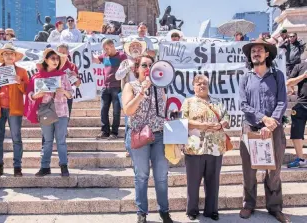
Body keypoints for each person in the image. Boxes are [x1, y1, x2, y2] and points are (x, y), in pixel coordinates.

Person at [239, 38, 290, 223]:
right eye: (253, 51)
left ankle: (275, 207)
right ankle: (248, 204)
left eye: (260, 50)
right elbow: (243, 104)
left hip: (274, 129)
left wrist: (272, 122)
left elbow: (282, 101)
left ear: (267, 54)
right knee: (248, 170)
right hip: (250, 127)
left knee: (274, 170)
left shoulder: (277, 76)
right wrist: (263, 118)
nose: (256, 53)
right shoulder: (245, 77)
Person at [122, 55, 173, 223]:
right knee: (142, 174)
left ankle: (164, 211)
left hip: (159, 135)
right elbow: (128, 111)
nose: (148, 67)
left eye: (151, 65)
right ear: (137, 68)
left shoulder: (161, 86)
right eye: (144, 64)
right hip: (139, 136)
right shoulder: (130, 86)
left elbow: (165, 110)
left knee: (161, 175)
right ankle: (141, 212)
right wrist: (142, 92)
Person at [180, 74, 230, 221]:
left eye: (204, 84)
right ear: (193, 86)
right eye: (198, 84)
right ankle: (192, 210)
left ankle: (212, 210)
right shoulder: (188, 102)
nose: (202, 86)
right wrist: (202, 126)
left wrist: (221, 124)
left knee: (213, 180)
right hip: (194, 147)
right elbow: (182, 120)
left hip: (215, 147)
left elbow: (226, 117)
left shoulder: (217, 102)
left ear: (208, 86)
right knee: (193, 181)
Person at [25, 48, 73, 177]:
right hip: (45, 111)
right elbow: (29, 94)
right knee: (47, 141)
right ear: (46, 60)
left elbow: (71, 94)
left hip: (61, 112)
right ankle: (45, 166)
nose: (56, 61)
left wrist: (63, 91)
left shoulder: (63, 76)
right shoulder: (37, 77)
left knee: (61, 140)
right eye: (53, 58)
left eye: (57, 59)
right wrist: (36, 95)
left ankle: (64, 166)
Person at [0, 43, 29, 177]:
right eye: (6, 54)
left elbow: (27, 90)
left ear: (15, 57)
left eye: (11, 54)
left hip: (14, 109)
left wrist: (19, 82)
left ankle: (17, 167)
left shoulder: (22, 72)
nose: (9, 56)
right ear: (2, 57)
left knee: (17, 138)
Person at [92, 39, 127, 139]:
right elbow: (95, 59)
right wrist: (85, 50)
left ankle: (114, 133)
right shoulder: (104, 56)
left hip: (117, 87)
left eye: (107, 48)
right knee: (103, 110)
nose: (105, 51)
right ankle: (104, 131)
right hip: (105, 87)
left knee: (116, 111)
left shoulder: (122, 56)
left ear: (112, 45)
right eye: (104, 49)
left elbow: (126, 68)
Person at [286, 61, 307, 168]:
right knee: (296, 132)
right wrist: (303, 76)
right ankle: (301, 159)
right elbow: (289, 82)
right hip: (302, 104)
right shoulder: (300, 66)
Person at [57, 43, 81, 117]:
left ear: (68, 53)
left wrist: (75, 76)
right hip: (54, 96)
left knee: (65, 120)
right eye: (59, 53)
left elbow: (78, 84)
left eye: (63, 53)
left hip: (67, 96)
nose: (61, 55)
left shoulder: (72, 66)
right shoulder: (52, 65)